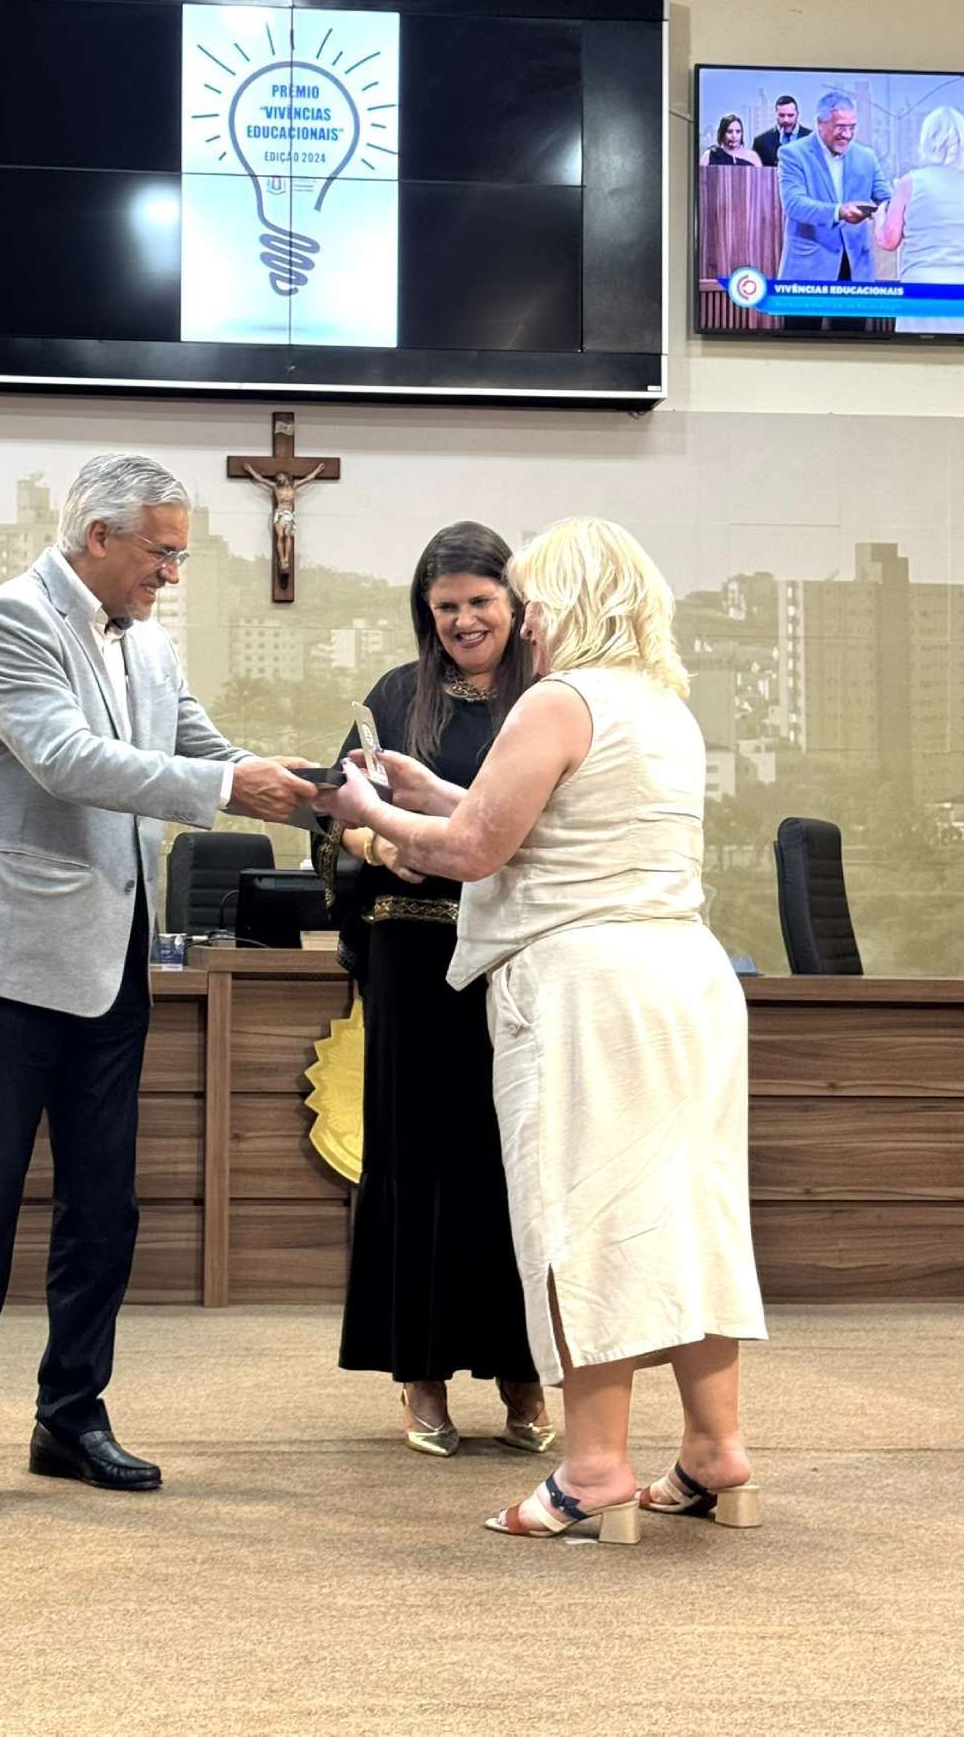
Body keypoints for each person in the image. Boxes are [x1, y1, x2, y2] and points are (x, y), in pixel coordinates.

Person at [328, 518, 767, 1545]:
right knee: (688, 1217)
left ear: (565, 600)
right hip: (682, 978)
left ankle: (591, 1468)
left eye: (528, 598)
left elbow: (479, 844)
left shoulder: (561, 698)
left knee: (579, 1221)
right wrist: (423, 791)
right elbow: (528, 817)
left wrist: (368, 808)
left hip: (585, 988)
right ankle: (714, 1451)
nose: (517, 617)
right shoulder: (660, 707)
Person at [0, 452, 317, 1516]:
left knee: (104, 1206)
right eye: (162, 551)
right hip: (6, 964)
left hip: (110, 960)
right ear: (100, 536)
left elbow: (195, 748)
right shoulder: (10, 621)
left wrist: (317, 798)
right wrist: (228, 783)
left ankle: (69, 1412)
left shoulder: (148, 643)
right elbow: (66, 759)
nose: (171, 573)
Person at [314, 522, 548, 1459]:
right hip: (413, 965)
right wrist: (383, 846)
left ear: (513, 606)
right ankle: (420, 1375)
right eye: (443, 606)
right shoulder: (395, 698)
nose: (460, 620)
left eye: (477, 602)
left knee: (514, 1165)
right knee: (417, 1163)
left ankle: (525, 1370)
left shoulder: (548, 702)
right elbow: (334, 817)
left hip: (517, 965)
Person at [778, 89, 891, 282]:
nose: (847, 134)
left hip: (855, 269)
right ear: (820, 124)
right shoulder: (792, 154)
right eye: (840, 127)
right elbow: (794, 204)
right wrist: (838, 211)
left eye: (852, 127)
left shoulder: (866, 157)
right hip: (807, 271)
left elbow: (887, 198)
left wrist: (884, 213)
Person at [875, 106, 964, 334]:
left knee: (915, 358)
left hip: (920, 286)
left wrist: (879, 217)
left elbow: (888, 240)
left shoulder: (910, 182)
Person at [752, 94, 811, 168]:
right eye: (782, 115)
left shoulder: (811, 139)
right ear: (776, 115)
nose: (786, 120)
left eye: (790, 115)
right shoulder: (761, 142)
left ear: (797, 114)